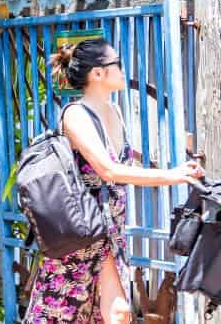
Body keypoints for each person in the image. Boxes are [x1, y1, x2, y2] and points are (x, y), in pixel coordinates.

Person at [23, 38, 204, 324]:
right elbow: (108, 170)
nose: (122, 70)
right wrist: (172, 175)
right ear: (97, 73)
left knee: (118, 314)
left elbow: (122, 162)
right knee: (62, 315)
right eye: (116, 64)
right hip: (79, 232)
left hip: (109, 231)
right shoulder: (75, 115)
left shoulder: (115, 112)